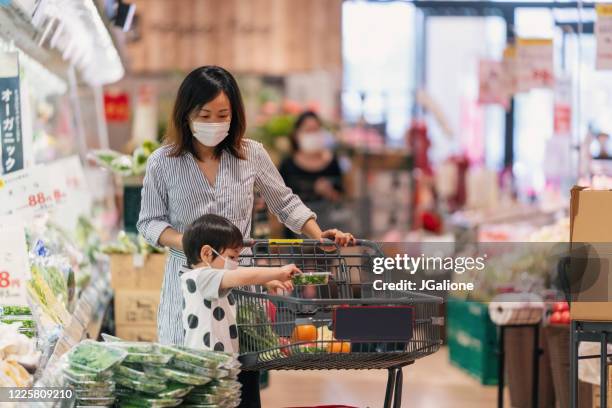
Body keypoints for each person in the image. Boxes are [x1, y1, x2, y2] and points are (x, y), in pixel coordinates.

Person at [137, 66, 353, 406]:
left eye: (223, 114)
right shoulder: (162, 162)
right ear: (186, 115)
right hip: (189, 290)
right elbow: (149, 222)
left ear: (235, 114)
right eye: (204, 114)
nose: (214, 121)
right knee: (192, 387)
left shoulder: (250, 153)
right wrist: (193, 245)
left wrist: (317, 233)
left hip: (244, 291)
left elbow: (285, 202)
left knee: (242, 387)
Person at [180, 214, 299, 406]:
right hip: (206, 368)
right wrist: (278, 271)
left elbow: (236, 279)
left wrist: (267, 281)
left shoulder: (211, 281)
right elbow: (241, 276)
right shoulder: (200, 277)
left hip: (220, 367)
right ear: (206, 254)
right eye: (232, 257)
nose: (235, 263)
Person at [279, 111, 345, 237]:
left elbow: (343, 199)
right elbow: (279, 201)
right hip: (295, 234)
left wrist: (329, 192)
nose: (312, 134)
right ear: (296, 134)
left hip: (328, 232)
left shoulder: (332, 162)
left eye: (316, 130)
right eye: (308, 130)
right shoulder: (287, 165)